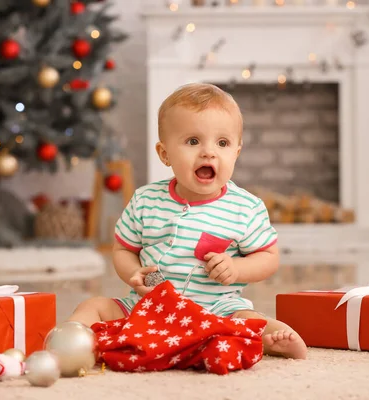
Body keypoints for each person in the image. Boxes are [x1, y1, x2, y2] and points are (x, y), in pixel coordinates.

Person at [68, 82, 308, 359]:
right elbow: (124, 249)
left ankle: (271, 337)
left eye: (222, 143)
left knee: (245, 317)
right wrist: (134, 274)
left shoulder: (245, 207)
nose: (209, 152)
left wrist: (237, 267)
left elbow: (268, 256)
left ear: (236, 153)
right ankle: (73, 339)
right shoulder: (146, 200)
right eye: (193, 141)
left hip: (216, 309)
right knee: (94, 305)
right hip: (150, 305)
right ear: (165, 153)